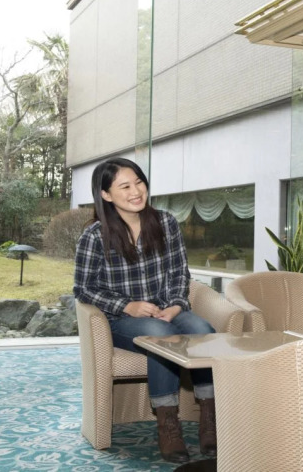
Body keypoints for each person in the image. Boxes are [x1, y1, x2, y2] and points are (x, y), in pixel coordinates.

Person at [73, 158, 216, 463]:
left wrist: (176, 305)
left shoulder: (165, 223)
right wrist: (127, 305)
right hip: (122, 320)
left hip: (167, 309)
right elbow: (83, 288)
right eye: (125, 186)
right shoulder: (95, 235)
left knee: (204, 331)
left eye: (139, 182)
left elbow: (179, 273)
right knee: (160, 335)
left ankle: (209, 418)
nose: (136, 191)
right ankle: (168, 425)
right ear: (106, 195)